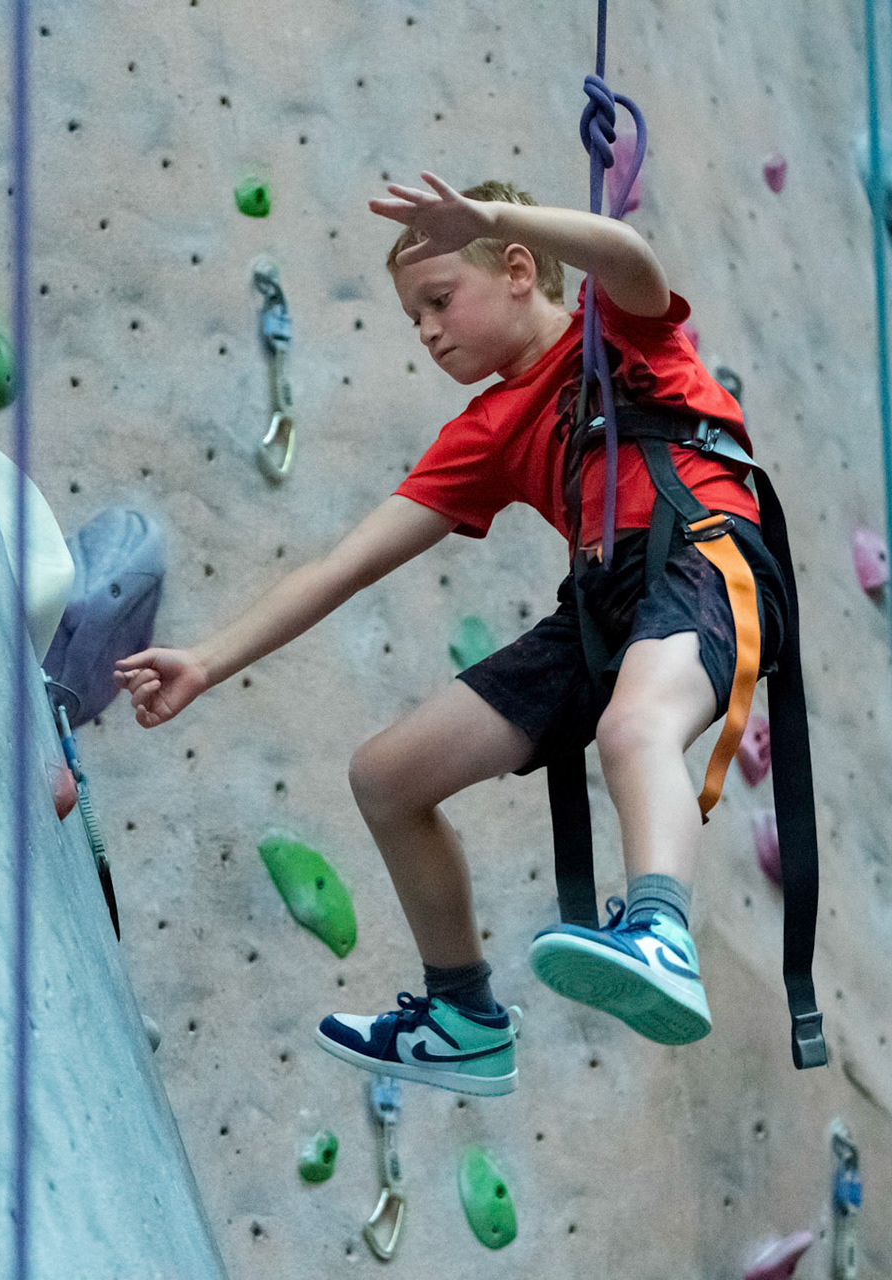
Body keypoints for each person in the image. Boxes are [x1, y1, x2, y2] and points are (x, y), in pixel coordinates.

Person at [112, 173, 788, 1097]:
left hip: (706, 561)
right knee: (389, 777)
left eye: (440, 301)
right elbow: (342, 566)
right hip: (599, 611)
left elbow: (631, 261)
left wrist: (495, 214)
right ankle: (463, 1015)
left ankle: (662, 930)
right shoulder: (486, 431)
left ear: (519, 270)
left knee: (638, 730)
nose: (428, 331)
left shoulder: (617, 331)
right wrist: (207, 659)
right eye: (412, 318)